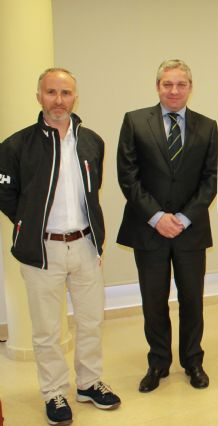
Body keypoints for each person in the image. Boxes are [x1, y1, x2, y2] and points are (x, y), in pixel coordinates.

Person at [0, 68, 121, 425]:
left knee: (91, 321)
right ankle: (54, 391)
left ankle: (89, 383)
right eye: (51, 92)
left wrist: (95, 242)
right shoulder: (16, 145)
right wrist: (28, 224)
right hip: (42, 249)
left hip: (84, 245)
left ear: (74, 97)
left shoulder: (91, 142)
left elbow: (92, 193)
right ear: (39, 96)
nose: (58, 100)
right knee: (47, 329)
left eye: (65, 93)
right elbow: (6, 194)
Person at [117, 59, 218, 393]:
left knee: (192, 300)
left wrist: (184, 218)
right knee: (153, 301)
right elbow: (128, 176)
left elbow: (211, 179)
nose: (174, 91)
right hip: (148, 229)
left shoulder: (208, 127)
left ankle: (193, 361)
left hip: (191, 230)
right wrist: (157, 217)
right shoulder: (134, 121)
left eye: (181, 84)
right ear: (157, 86)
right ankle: (158, 362)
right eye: (167, 84)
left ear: (190, 87)